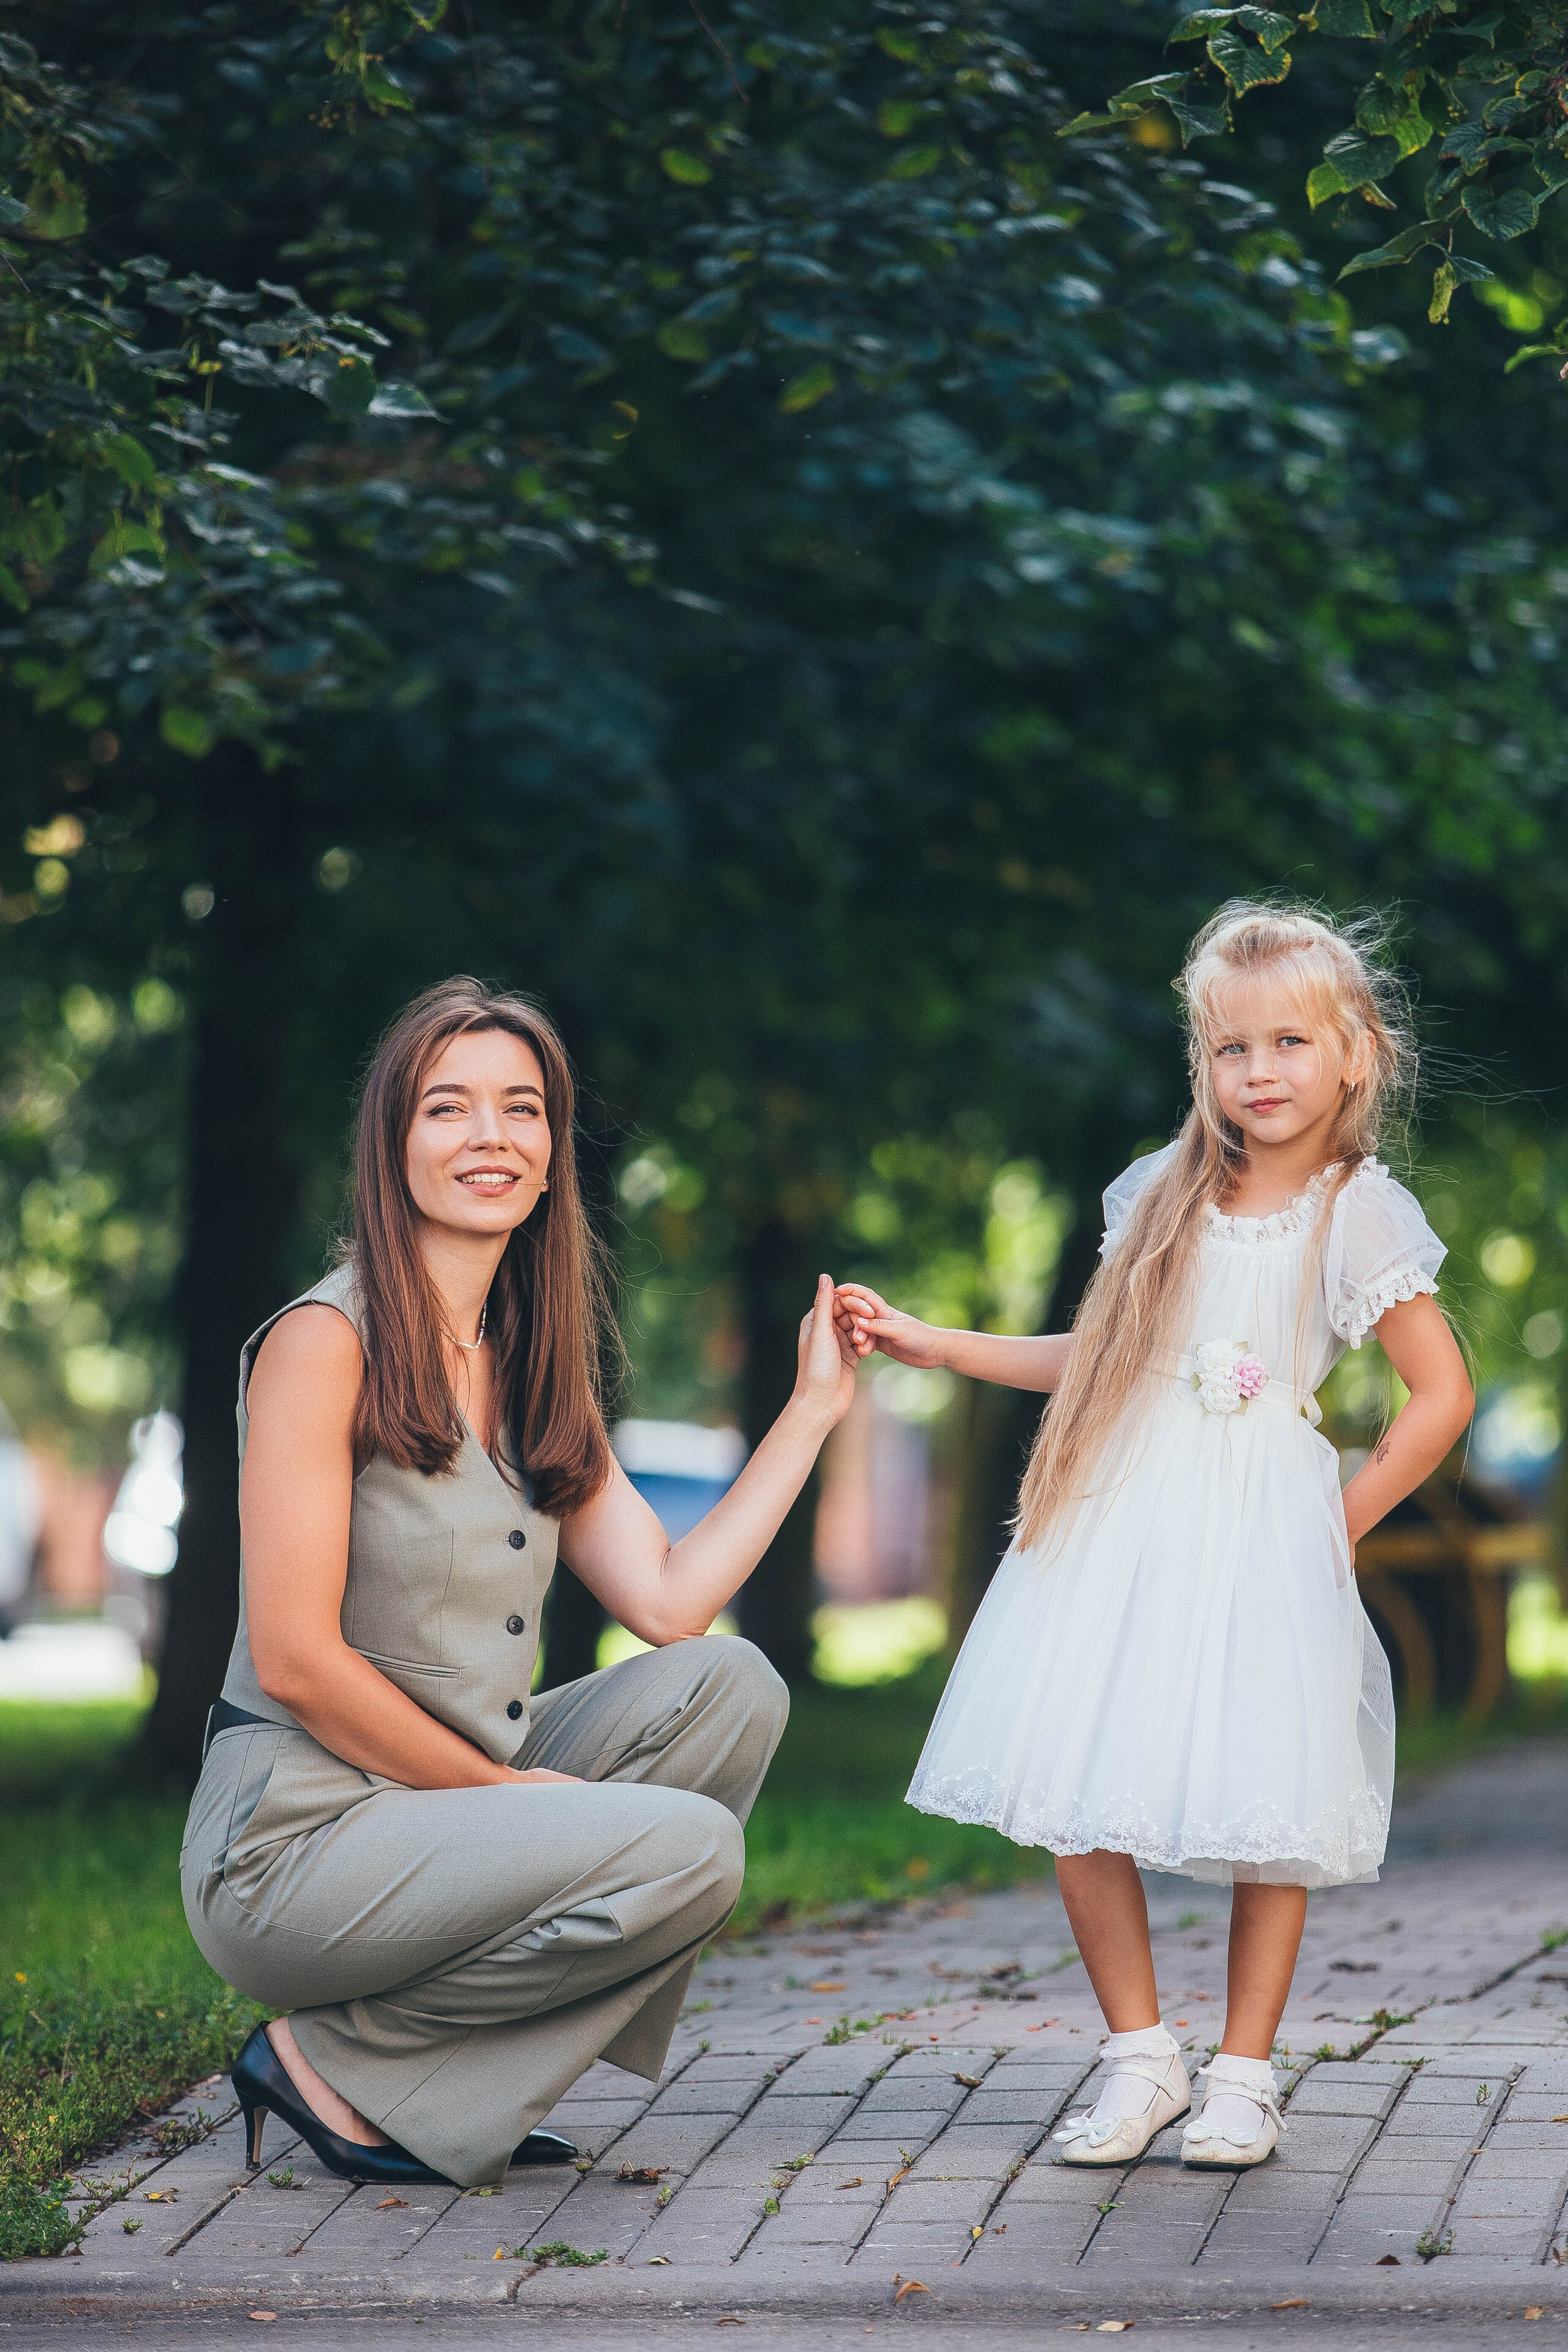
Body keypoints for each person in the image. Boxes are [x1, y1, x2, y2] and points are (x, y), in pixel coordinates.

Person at [182, 979, 856, 2191]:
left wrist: (810, 1413)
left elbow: (663, 1602)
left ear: (552, 1154)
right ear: (392, 1148)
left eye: (522, 1110)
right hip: (290, 1844)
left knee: (728, 1687)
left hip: (436, 1806)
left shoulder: (526, 1361)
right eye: (448, 1109)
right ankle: (335, 2062)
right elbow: (291, 1658)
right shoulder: (320, 1345)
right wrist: (500, 1790)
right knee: (690, 1852)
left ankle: (397, 2085)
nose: (490, 1137)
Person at [835, 903, 1473, 2170]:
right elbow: (1103, 1359)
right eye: (1231, 1050)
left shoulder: (1358, 1209)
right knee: (1079, 1778)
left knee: (1266, 1790)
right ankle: (1139, 2060)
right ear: (1203, 1062)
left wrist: (1335, 1525)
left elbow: (1439, 1394)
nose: (1260, 1073)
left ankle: (1243, 2073)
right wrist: (935, 1342)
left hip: (1258, 1524)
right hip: (1120, 1514)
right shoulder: (1160, 1192)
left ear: (1353, 1052)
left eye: (1289, 1042)